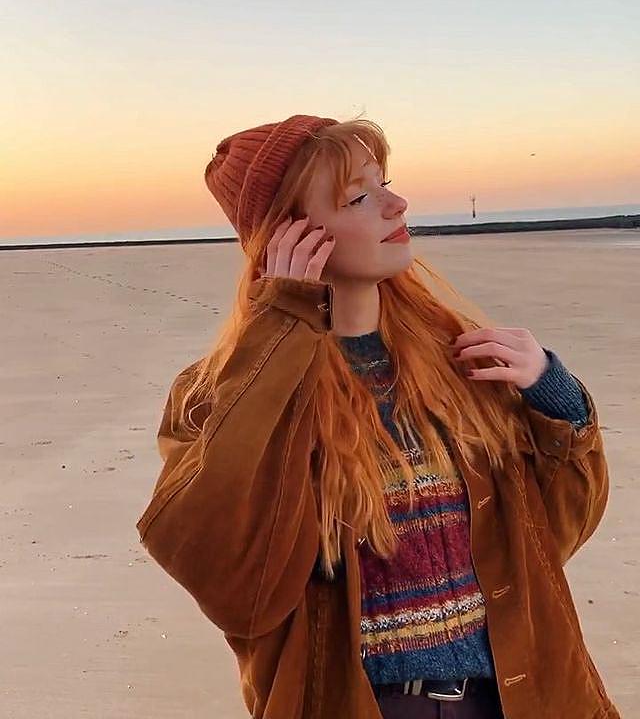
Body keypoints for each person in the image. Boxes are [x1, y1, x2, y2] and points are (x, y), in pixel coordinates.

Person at [135, 114, 620, 719]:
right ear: (290, 237)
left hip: (515, 698)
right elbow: (232, 587)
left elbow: (549, 539)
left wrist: (556, 401)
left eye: (383, 183)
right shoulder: (217, 394)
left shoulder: (457, 361)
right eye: (358, 197)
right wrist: (282, 323)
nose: (396, 204)